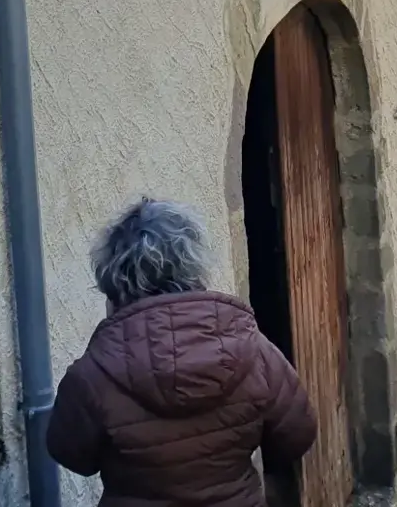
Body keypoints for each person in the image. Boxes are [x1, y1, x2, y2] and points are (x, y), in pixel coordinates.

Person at [46, 199, 316, 507]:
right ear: (194, 269)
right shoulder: (253, 349)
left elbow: (71, 455)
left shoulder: (93, 374)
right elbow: (297, 435)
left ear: (113, 281)